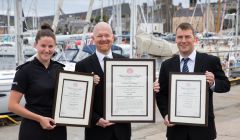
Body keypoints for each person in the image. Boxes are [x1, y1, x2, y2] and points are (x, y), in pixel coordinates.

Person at [75, 22, 159, 140]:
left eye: (107, 35)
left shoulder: (125, 62)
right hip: (96, 132)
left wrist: (150, 87)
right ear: (93, 39)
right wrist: (96, 120)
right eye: (99, 36)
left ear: (112, 38)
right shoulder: (82, 66)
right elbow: (79, 101)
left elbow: (136, 88)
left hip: (122, 132)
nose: (104, 39)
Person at [156, 22, 230, 140]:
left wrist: (213, 83)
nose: (183, 41)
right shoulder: (167, 65)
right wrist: (165, 114)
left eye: (187, 37)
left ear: (194, 39)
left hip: (203, 131)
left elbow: (226, 85)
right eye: (180, 37)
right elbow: (161, 94)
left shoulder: (210, 61)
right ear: (175, 39)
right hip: (176, 131)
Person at [8, 23, 67, 140]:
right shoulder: (25, 71)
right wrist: (40, 118)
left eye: (50, 46)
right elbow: (12, 106)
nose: (47, 50)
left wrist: (92, 82)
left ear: (55, 47)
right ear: (35, 45)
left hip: (57, 128)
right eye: (43, 46)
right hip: (33, 128)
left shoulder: (59, 69)